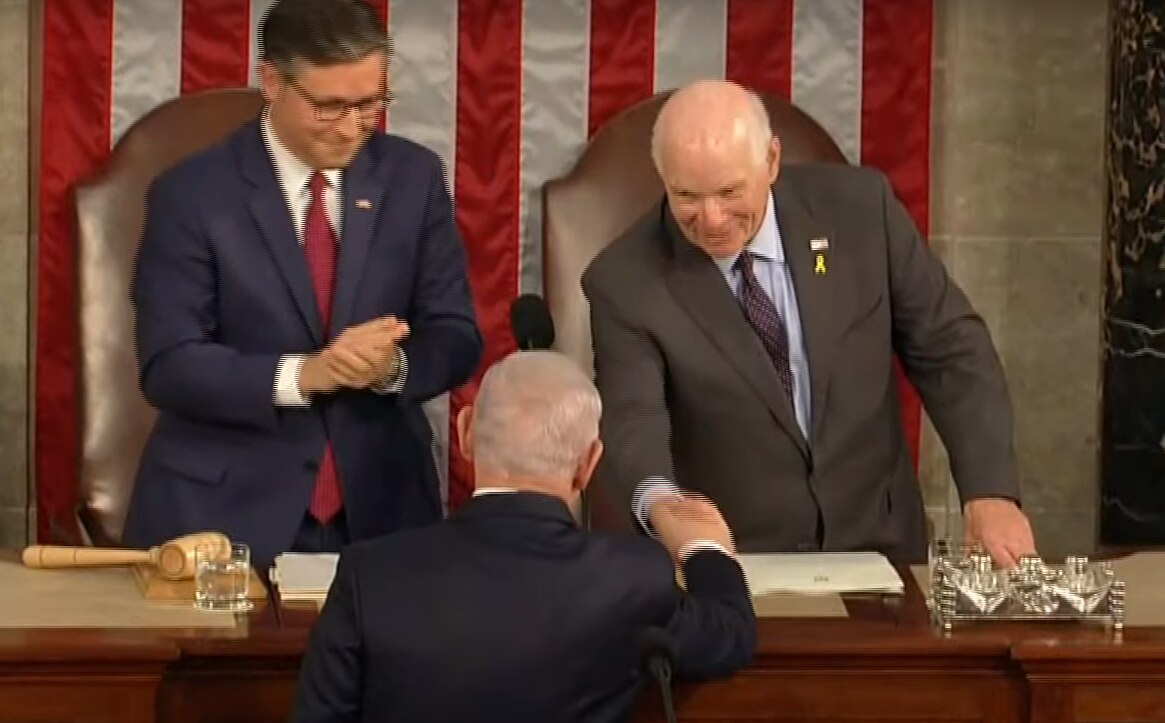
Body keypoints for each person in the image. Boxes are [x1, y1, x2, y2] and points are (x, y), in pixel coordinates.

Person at [582, 79, 1037, 567]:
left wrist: (990, 492)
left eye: (731, 191)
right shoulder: (625, 281)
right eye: (687, 196)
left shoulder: (862, 213)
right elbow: (633, 419)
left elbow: (951, 349)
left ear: (772, 161)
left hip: (880, 548)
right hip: (737, 564)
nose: (712, 219)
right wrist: (662, 507)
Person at [123, 0, 482, 567]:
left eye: (370, 103)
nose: (352, 126)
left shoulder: (413, 179)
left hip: (382, 512)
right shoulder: (192, 193)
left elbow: (455, 334)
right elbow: (170, 363)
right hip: (223, 515)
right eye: (329, 106)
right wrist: (304, 375)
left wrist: (391, 367)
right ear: (272, 82)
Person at [292, 351, 756, 723]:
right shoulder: (632, 576)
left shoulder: (369, 574)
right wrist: (702, 545)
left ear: (465, 432)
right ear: (589, 463)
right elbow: (730, 635)